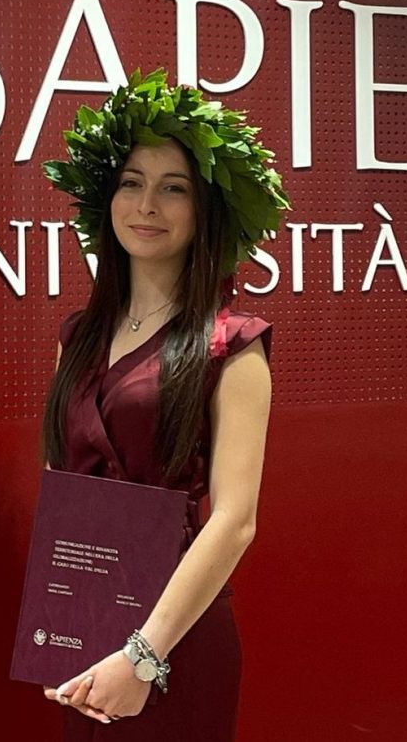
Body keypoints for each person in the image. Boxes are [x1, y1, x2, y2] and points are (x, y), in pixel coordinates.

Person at [36, 69, 289, 739]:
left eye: (173, 188)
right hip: (88, 640)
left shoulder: (233, 345)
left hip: (176, 641)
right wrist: (58, 630)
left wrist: (142, 657)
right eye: (132, 183)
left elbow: (234, 521)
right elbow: (65, 495)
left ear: (205, 210)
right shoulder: (76, 338)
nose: (147, 205)